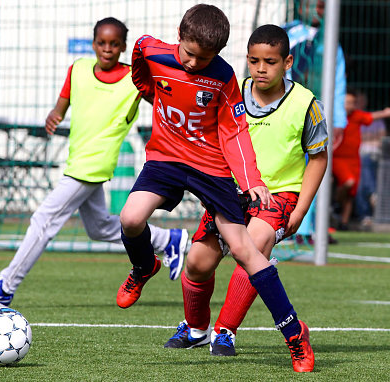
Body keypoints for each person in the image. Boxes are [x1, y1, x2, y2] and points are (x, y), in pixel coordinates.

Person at [116, 6, 314, 373]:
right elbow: (140, 66)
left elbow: (235, 130)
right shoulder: (150, 48)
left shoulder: (223, 76)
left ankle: (294, 334)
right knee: (129, 218)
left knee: (244, 249)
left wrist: (251, 179)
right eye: (189, 54)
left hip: (210, 167)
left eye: (203, 58)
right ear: (179, 35)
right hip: (166, 159)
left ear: (218, 55)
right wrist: (149, 91)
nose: (193, 64)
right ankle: (144, 266)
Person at [0, 17, 188, 308]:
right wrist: (54, 115)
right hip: (77, 159)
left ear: (122, 48)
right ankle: (166, 240)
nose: (107, 49)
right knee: (98, 228)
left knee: (43, 220)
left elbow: (165, 103)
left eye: (114, 44)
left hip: (94, 164)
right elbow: (63, 103)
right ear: (94, 44)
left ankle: (5, 286)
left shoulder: (133, 80)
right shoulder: (78, 69)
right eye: (102, 43)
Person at [162, 24, 326, 373]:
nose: (261, 68)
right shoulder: (230, 92)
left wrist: (301, 206)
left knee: (252, 246)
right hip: (230, 193)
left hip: (278, 195)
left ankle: (225, 331)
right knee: (197, 263)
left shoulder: (306, 104)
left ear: (287, 62)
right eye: (254, 61)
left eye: (270, 61)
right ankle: (196, 329)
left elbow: (319, 157)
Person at [283, 0, 346, 244]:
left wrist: (338, 119)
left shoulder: (330, 42)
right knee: (290, 168)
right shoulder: (288, 34)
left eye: (323, 6)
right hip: (289, 113)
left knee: (317, 167)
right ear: (301, 8)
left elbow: (337, 82)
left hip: (316, 114)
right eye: (315, 5)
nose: (319, 10)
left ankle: (306, 229)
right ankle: (285, 223)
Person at [332, 89, 390, 230]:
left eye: (352, 103)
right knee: (348, 182)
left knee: (351, 193)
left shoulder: (357, 116)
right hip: (337, 158)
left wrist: (385, 113)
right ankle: (335, 202)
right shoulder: (335, 116)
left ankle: (344, 223)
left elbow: (371, 116)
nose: (349, 106)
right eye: (347, 103)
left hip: (354, 159)